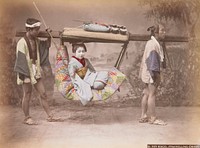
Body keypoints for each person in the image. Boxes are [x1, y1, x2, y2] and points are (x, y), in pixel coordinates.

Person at [14, 18, 62, 125]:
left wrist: (49, 35)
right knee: (27, 93)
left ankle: (50, 116)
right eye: (36, 30)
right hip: (25, 70)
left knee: (43, 93)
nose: (38, 32)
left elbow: (45, 46)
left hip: (35, 69)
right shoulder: (21, 43)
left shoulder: (36, 41)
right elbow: (21, 60)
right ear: (29, 29)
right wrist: (26, 75)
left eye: (38, 29)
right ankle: (27, 117)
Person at [139, 24, 167, 125]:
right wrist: (157, 76)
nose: (164, 32)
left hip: (147, 72)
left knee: (146, 93)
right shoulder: (153, 45)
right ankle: (153, 118)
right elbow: (153, 62)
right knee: (152, 94)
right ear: (156, 33)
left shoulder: (151, 42)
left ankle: (143, 115)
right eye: (162, 31)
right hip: (151, 72)